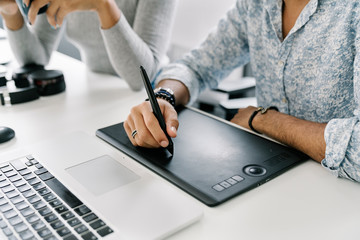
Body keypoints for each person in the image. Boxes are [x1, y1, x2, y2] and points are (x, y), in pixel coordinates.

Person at [123, 0, 360, 182]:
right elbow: (196, 66)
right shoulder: (255, 4)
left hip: (339, 193)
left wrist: (266, 120)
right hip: (270, 176)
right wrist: (164, 96)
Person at [0, 0, 177, 90]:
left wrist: (103, 5)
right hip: (95, 88)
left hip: (154, 96)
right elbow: (35, 59)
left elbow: (140, 80)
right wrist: (11, 13)